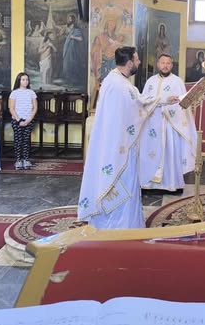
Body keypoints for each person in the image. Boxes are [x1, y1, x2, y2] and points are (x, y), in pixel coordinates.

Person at [78, 46, 159, 229]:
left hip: (114, 142)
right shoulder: (120, 85)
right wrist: (158, 102)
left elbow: (136, 104)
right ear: (129, 63)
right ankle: (121, 226)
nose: (139, 62)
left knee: (118, 184)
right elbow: (139, 109)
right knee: (123, 184)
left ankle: (116, 223)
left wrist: (159, 101)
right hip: (120, 147)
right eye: (136, 60)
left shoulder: (113, 80)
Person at [139, 54, 197, 192]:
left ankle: (171, 184)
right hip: (152, 124)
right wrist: (162, 102)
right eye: (163, 63)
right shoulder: (150, 81)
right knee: (150, 152)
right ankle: (149, 184)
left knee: (170, 153)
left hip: (170, 124)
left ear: (172, 65)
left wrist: (169, 107)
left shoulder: (177, 82)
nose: (165, 66)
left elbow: (182, 104)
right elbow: (144, 101)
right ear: (158, 64)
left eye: (168, 63)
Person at [9, 72, 38, 170]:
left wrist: (29, 119)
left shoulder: (31, 93)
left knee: (26, 140)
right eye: (23, 80)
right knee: (18, 140)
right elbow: (11, 108)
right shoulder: (14, 93)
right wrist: (19, 120)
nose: (25, 81)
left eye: (27, 80)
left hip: (28, 120)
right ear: (19, 81)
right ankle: (18, 160)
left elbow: (35, 107)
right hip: (17, 120)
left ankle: (26, 159)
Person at [62, 14, 86, 86]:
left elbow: (80, 39)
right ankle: (67, 81)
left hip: (72, 52)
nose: (69, 22)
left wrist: (73, 37)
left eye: (70, 20)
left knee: (71, 65)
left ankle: (72, 82)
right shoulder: (71, 31)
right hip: (67, 51)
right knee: (66, 65)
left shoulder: (76, 30)